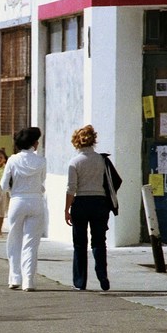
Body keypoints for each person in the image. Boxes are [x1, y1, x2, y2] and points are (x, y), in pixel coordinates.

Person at [64, 124, 111, 291]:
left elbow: (71, 188)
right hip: (100, 202)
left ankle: (80, 281)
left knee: (79, 243)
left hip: (81, 203)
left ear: (77, 141)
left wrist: (66, 209)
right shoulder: (101, 159)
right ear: (94, 139)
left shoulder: (75, 162)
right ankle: (102, 274)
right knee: (99, 241)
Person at [0, 127, 47, 292]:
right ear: (35, 143)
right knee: (31, 244)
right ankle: (29, 281)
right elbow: (42, 183)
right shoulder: (41, 161)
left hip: (17, 201)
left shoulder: (12, 160)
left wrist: (13, 190)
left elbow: (4, 185)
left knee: (14, 241)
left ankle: (15, 277)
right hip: (36, 201)